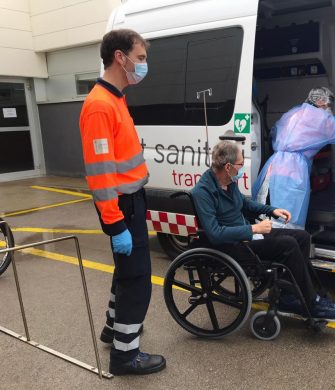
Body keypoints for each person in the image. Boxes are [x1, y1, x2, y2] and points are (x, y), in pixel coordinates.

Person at [79, 29, 165, 376]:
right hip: (122, 206)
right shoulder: (100, 105)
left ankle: (113, 329)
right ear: (120, 57)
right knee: (137, 279)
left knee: (126, 272)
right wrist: (115, 224)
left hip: (130, 201)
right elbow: (100, 174)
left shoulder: (115, 97)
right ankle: (126, 355)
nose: (143, 65)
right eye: (140, 58)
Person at [192, 140, 335, 321]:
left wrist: (271, 210)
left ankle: (289, 296)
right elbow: (215, 234)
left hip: (248, 236)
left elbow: (245, 204)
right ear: (228, 167)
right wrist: (253, 228)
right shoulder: (202, 192)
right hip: (233, 245)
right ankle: (311, 301)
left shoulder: (228, 182)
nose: (242, 168)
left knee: (303, 237)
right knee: (288, 244)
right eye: (240, 165)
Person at [252, 87, 335, 229]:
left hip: (272, 167)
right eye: (327, 105)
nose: (328, 108)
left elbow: (273, 132)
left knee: (266, 211)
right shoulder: (322, 120)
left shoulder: (292, 112)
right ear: (319, 101)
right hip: (292, 171)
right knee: (288, 220)